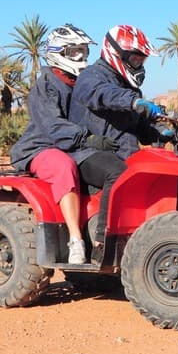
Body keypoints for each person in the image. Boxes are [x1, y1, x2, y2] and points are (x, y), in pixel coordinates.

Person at [69, 24, 172, 263]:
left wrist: (161, 132)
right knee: (119, 172)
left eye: (141, 60)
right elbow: (102, 94)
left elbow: (135, 126)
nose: (139, 64)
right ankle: (102, 244)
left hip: (119, 152)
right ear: (116, 54)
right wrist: (134, 102)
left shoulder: (126, 87)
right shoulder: (91, 77)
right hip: (85, 152)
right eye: (135, 59)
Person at [9, 23, 105, 264]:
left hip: (74, 146)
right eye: (75, 52)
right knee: (63, 166)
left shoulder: (83, 84)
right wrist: (87, 138)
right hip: (41, 147)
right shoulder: (47, 85)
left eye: (84, 51)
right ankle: (76, 241)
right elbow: (53, 126)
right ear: (57, 53)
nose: (81, 57)